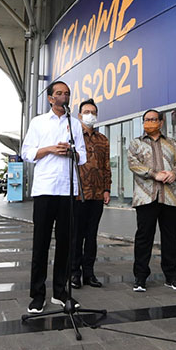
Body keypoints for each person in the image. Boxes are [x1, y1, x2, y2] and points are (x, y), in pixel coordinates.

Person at [21, 81, 87, 314]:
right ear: (50, 98)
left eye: (67, 93)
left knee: (66, 244)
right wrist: (50, 149)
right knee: (41, 243)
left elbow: (82, 157)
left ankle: (60, 291)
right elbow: (26, 153)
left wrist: (71, 152)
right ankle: (37, 295)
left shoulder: (75, 124)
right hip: (45, 189)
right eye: (59, 93)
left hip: (68, 190)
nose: (63, 96)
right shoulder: (38, 122)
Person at [127, 109, 176, 293]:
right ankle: (140, 277)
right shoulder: (136, 143)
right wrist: (155, 174)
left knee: (170, 238)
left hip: (169, 197)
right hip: (146, 197)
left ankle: (172, 276)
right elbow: (133, 164)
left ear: (161, 122)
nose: (149, 122)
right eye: (146, 119)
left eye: (153, 119)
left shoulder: (172, 143)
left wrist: (174, 173)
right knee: (144, 238)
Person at [70, 99, 111, 290]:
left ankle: (89, 273)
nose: (90, 115)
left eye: (93, 112)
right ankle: (74, 273)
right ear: (79, 115)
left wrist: (107, 189)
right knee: (76, 235)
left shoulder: (103, 139)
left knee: (92, 235)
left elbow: (106, 166)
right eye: (86, 111)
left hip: (96, 195)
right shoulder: (73, 137)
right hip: (78, 194)